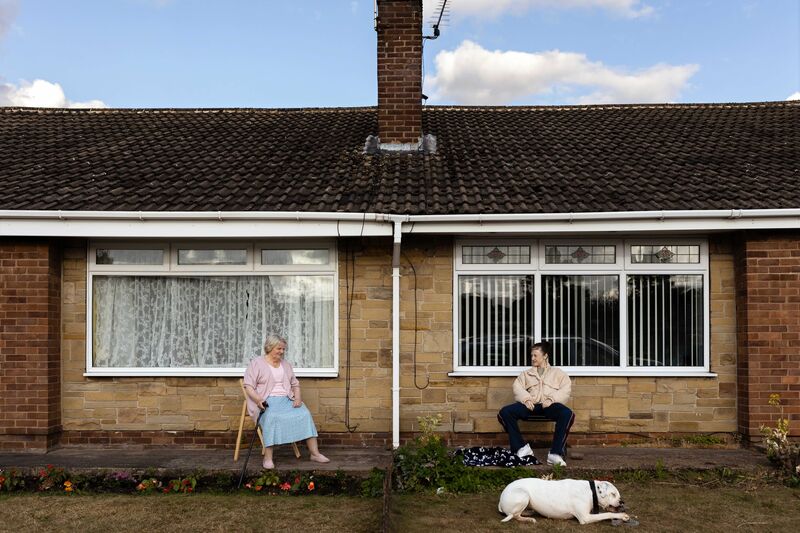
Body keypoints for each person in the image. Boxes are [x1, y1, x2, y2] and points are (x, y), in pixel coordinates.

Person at [243, 334, 330, 469]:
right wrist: (259, 400)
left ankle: (315, 453)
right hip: (266, 401)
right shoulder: (257, 363)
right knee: (271, 417)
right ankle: (268, 458)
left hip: (286, 399)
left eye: (283, 349)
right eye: (279, 349)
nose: (282, 352)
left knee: (305, 414)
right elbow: (248, 386)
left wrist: (298, 398)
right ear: (270, 347)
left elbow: (295, 384)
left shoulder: (286, 365)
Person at [498, 341, 574, 466]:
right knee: (505, 412)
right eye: (531, 355)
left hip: (549, 405)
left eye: (535, 355)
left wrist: (552, 399)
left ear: (545, 356)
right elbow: (517, 387)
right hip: (531, 405)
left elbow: (566, 388)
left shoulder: (558, 373)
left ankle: (555, 454)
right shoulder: (526, 374)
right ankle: (521, 448)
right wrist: (526, 399)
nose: (532, 358)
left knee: (567, 414)